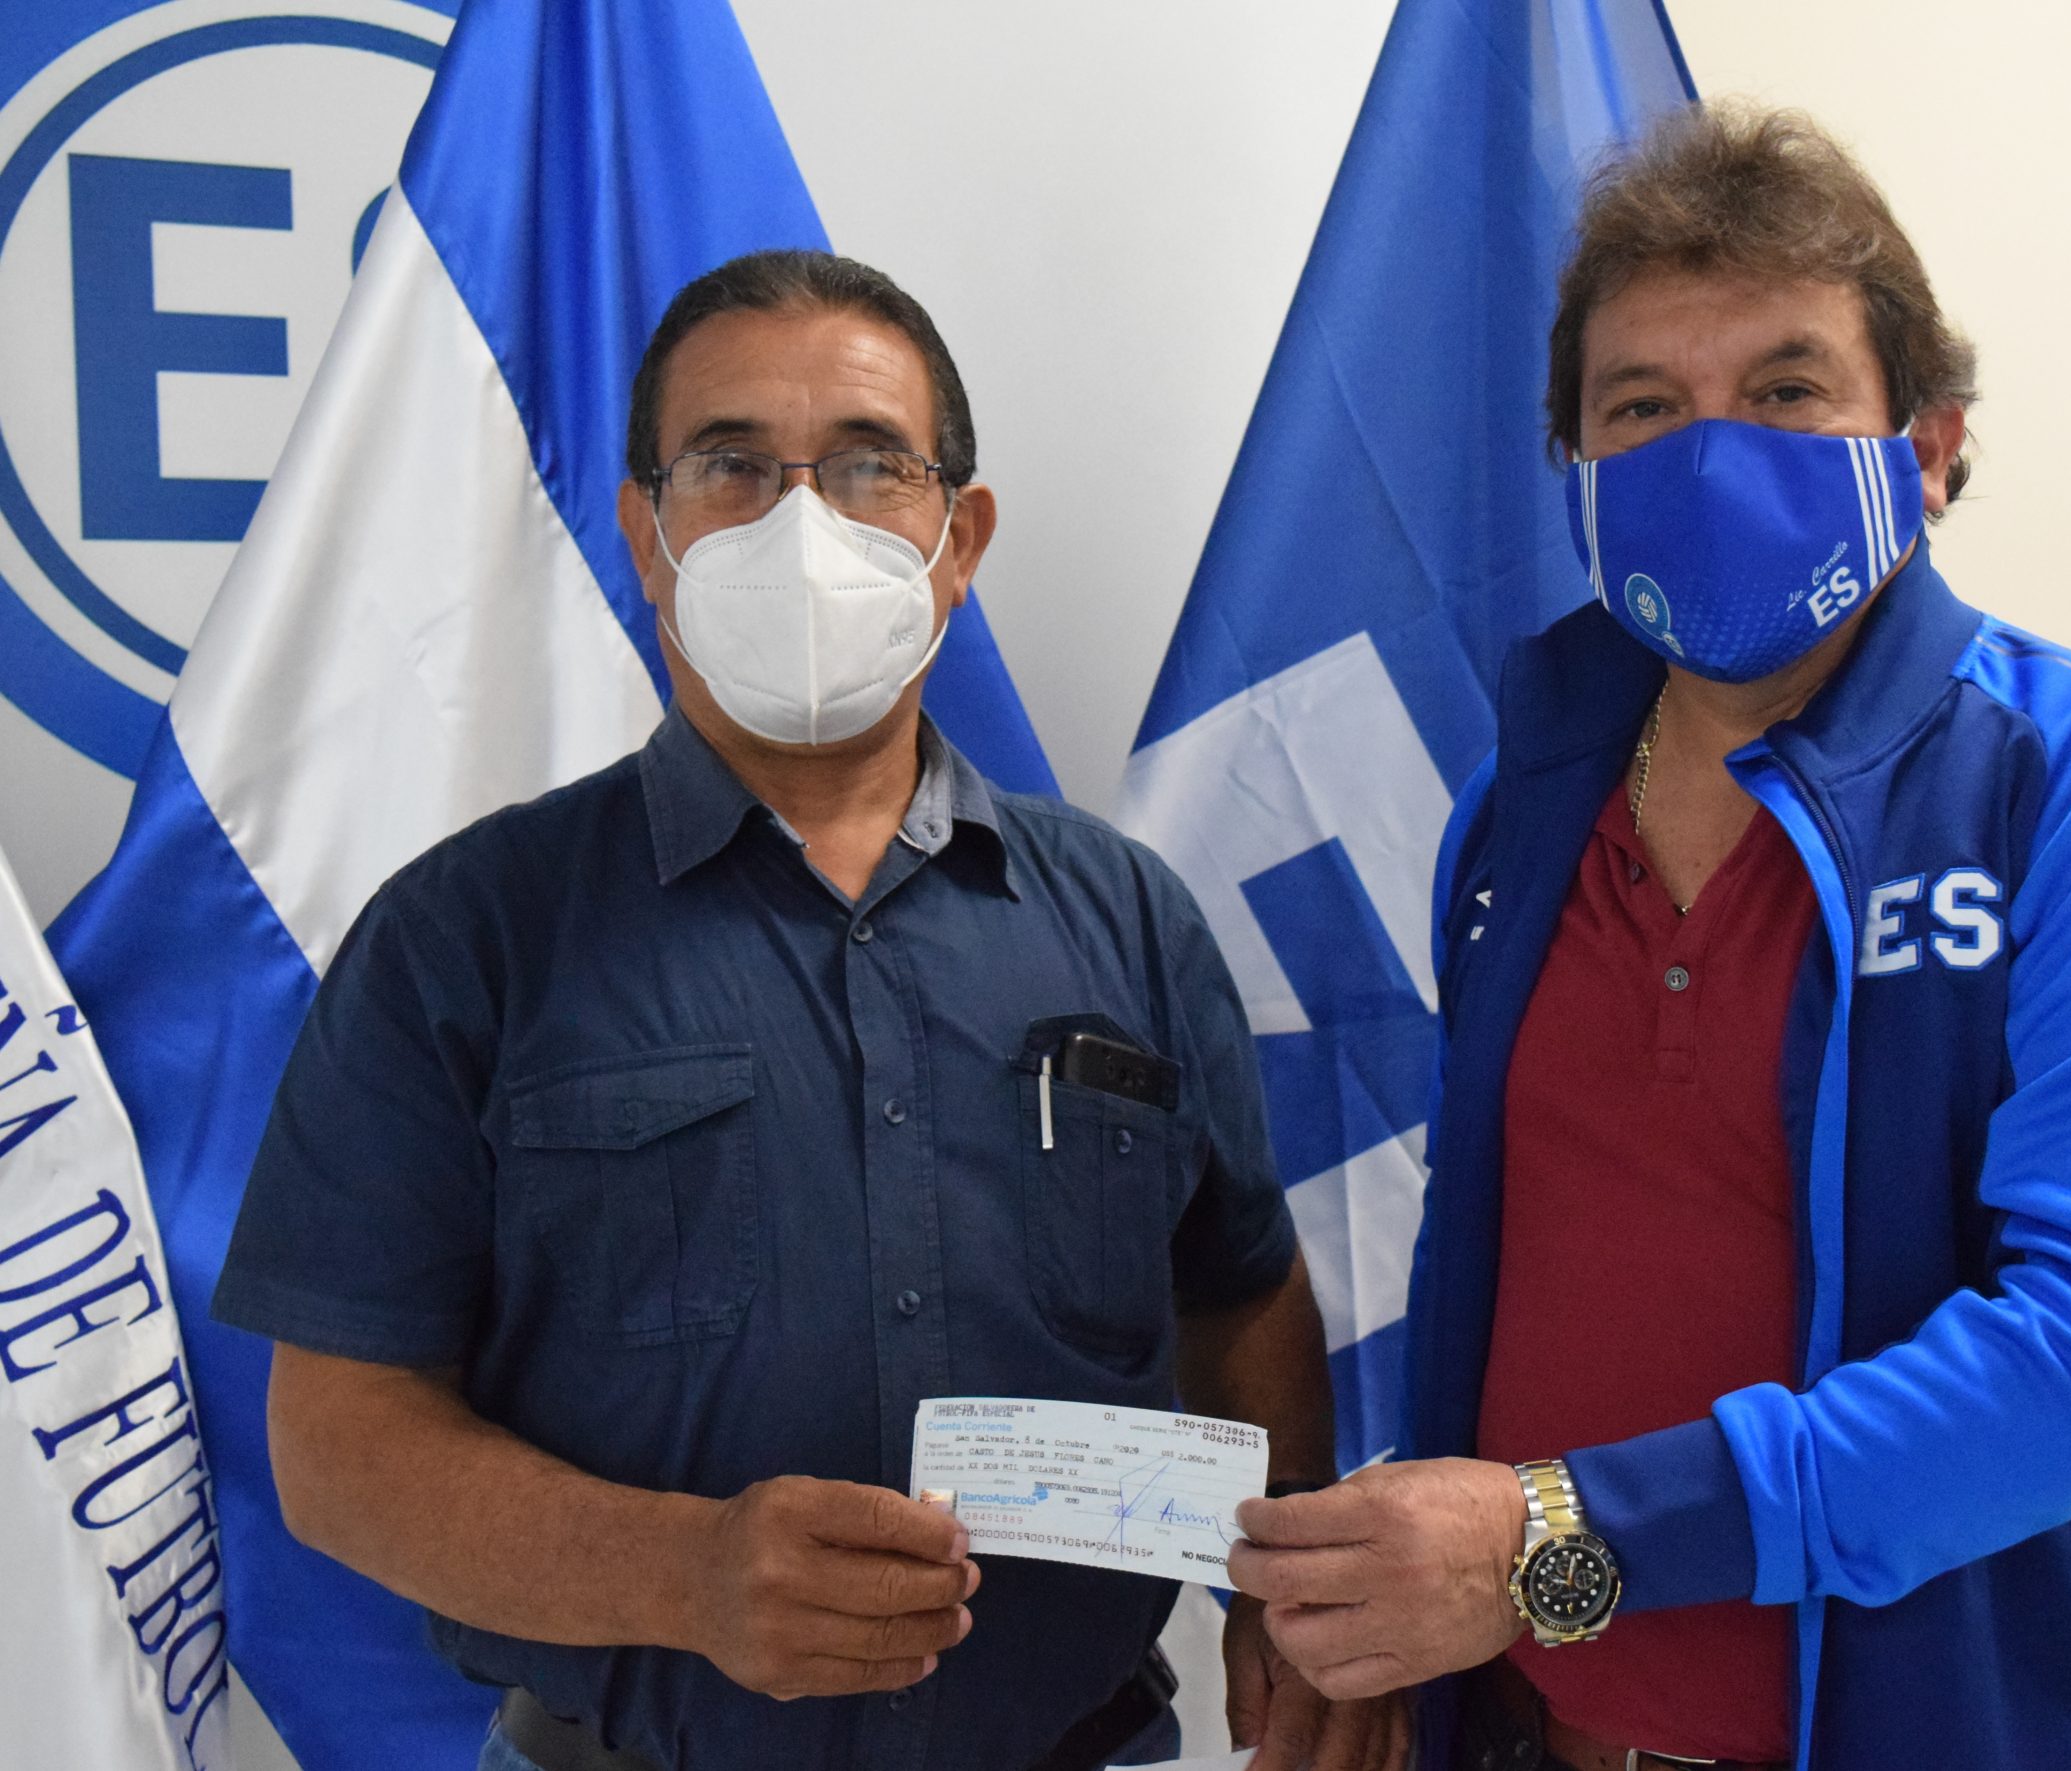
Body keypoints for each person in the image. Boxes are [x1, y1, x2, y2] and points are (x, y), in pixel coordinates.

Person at [1228, 104, 2071, 1771]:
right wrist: (1406, 1599)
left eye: (1788, 390)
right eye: (1643, 409)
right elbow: (1508, 1281)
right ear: (1581, 480)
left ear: (1929, 448)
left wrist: (1550, 1540)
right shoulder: (1519, 813)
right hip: (1531, 1730)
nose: (1710, 458)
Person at [211, 250, 1402, 1771]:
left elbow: (1236, 1301)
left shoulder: (1131, 921)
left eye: (867, 465)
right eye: (730, 465)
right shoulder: (465, 938)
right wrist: (683, 1574)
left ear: (958, 538)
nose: (802, 523)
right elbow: (338, 1451)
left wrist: (1283, 1583)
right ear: (647, 538)